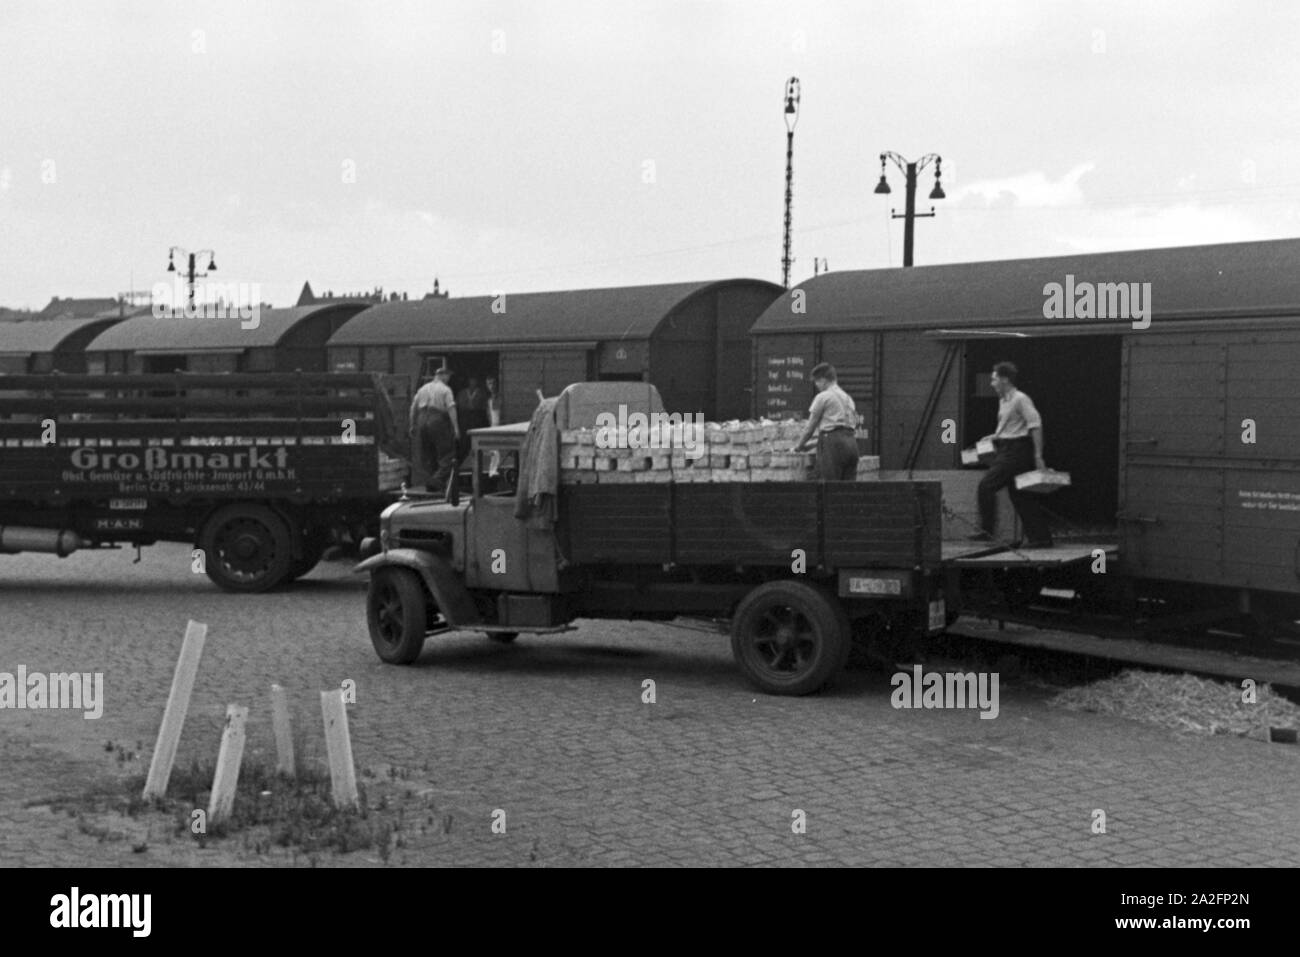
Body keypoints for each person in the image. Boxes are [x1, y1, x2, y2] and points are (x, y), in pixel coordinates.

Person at [970, 361, 1053, 548]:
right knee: (1021, 496)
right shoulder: (1003, 401)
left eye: (994, 379)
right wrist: (994, 436)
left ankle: (987, 531)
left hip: (1017, 450)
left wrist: (1038, 456)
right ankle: (1041, 538)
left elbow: (1035, 425)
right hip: (1008, 447)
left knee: (986, 485)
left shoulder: (1020, 399)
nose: (992, 383)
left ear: (1005, 379)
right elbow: (1010, 428)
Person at [795, 362, 860, 480]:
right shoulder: (848, 399)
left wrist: (799, 446)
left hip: (834, 449)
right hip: (852, 445)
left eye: (816, 381)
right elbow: (841, 431)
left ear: (823, 380)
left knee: (829, 489)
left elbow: (810, 428)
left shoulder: (823, 397)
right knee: (847, 491)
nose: (816, 385)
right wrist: (811, 445)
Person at [409, 366, 459, 494]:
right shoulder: (445, 389)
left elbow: (413, 408)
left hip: (421, 419)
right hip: (437, 419)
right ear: (443, 375)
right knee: (447, 454)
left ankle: (430, 484)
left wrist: (412, 425)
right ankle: (436, 481)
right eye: (448, 376)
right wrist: (456, 428)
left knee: (427, 455)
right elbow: (451, 408)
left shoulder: (422, 389)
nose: (449, 378)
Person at [456, 376, 490, 460]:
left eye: (474, 380)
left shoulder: (482, 393)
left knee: (476, 440)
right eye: (471, 380)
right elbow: (458, 406)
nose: (472, 382)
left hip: (477, 418)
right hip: (464, 419)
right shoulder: (462, 393)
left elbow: (485, 407)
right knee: (464, 441)